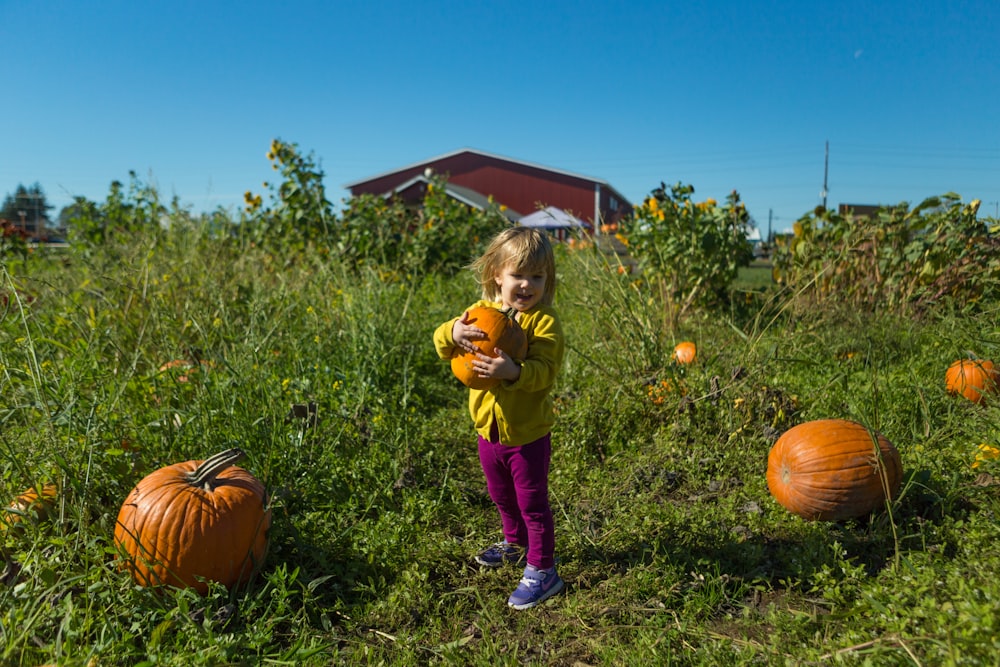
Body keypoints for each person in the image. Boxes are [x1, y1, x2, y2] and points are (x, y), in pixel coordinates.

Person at [433, 226, 565, 610]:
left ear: (547, 280)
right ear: (497, 275)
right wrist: (453, 330)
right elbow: (442, 343)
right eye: (518, 275)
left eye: (537, 277)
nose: (527, 285)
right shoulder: (480, 313)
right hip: (487, 431)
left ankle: (543, 569)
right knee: (500, 494)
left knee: (532, 502)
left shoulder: (544, 322)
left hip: (527, 435)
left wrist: (515, 372)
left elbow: (546, 371)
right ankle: (513, 543)